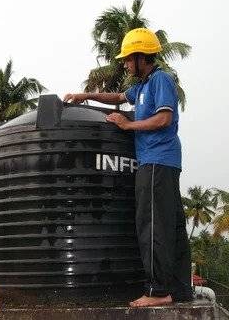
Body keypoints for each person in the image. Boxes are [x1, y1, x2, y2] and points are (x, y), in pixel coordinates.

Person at [63, 28, 192, 308]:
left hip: (158, 160)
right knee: (172, 225)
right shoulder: (143, 86)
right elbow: (120, 98)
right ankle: (179, 289)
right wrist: (84, 95)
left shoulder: (161, 81)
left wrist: (128, 125)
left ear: (141, 56)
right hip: (159, 161)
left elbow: (164, 120)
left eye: (127, 59)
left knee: (153, 223)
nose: (124, 64)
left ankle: (158, 291)